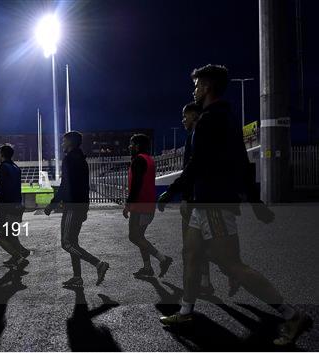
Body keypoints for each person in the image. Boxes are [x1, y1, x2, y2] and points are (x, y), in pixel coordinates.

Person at [157, 64, 312, 346]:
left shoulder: (209, 120)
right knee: (191, 254)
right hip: (207, 202)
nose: (194, 90)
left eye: (197, 85)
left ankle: (292, 315)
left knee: (232, 265)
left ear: (207, 87)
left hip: (212, 203)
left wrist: (173, 190)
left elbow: (197, 163)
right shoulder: (226, 117)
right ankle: (186, 311)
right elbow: (241, 161)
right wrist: (254, 201)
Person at [44, 131, 110, 287]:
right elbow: (82, 186)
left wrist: (52, 204)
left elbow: (65, 185)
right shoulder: (81, 159)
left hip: (72, 206)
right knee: (73, 242)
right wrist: (85, 208)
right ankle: (77, 277)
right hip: (80, 205)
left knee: (66, 243)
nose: (62, 144)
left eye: (64, 141)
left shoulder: (69, 159)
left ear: (70, 143)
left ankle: (98, 264)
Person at [123, 134, 172, 278]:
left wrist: (128, 205)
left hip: (140, 206)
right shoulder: (148, 159)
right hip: (147, 204)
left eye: (131, 144)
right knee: (140, 237)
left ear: (137, 146)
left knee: (134, 236)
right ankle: (147, 268)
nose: (129, 147)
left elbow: (136, 186)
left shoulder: (139, 160)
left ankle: (163, 259)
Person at [180, 102, 215, 295]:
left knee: (191, 247)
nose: (183, 120)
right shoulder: (205, 137)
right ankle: (204, 282)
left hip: (196, 199)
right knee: (203, 245)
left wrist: (185, 197)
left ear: (194, 116)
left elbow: (189, 171)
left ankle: (195, 286)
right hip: (205, 198)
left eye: (185, 116)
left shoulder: (193, 139)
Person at [0, 144, 30, 270]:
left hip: (6, 208)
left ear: (2, 154)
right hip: (17, 206)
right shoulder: (15, 167)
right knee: (11, 234)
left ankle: (19, 258)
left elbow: (1, 190)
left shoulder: (2, 168)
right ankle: (20, 252)